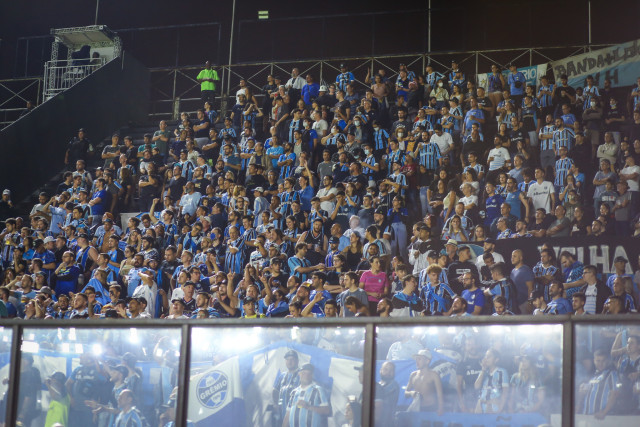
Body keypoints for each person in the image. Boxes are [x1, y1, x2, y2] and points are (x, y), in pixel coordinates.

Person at [578, 349, 620, 419]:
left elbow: (615, 394)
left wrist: (604, 412)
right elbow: (583, 395)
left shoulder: (611, 374)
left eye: (603, 361)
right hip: (587, 415)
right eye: (598, 361)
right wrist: (581, 393)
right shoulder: (592, 377)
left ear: (607, 361)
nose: (600, 363)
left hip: (601, 417)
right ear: (594, 361)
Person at [403, 349, 444, 415]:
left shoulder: (434, 375)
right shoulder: (413, 375)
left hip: (431, 408)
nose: (417, 361)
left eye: (419, 359)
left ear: (427, 361)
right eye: (416, 359)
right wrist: (411, 393)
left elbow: (440, 394)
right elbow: (405, 393)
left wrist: (441, 408)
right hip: (416, 408)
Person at [474, 348, 510, 413]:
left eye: (489, 356)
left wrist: (500, 409)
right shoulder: (483, 372)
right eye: (485, 356)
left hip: (494, 407)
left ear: (496, 360)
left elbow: (505, 392)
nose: (486, 358)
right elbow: (476, 386)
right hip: (481, 407)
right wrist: (483, 370)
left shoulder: (502, 372)